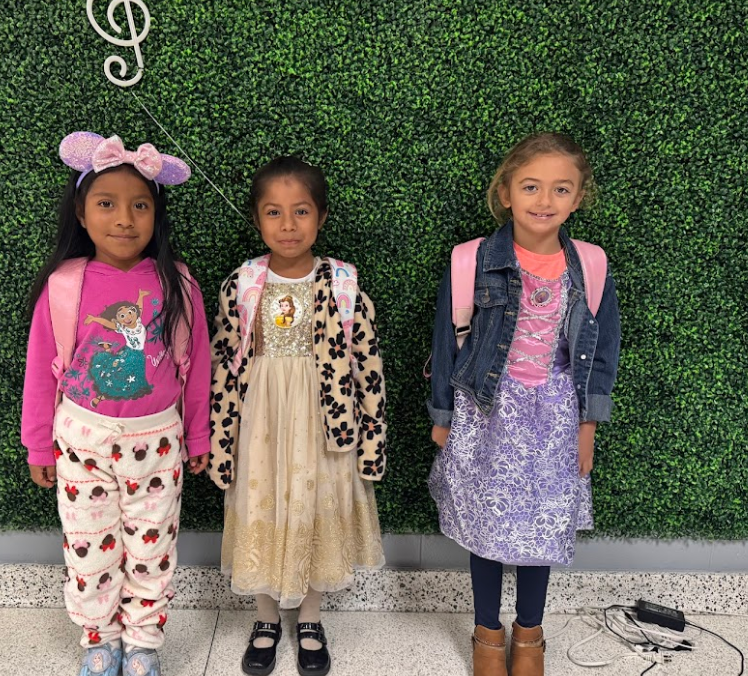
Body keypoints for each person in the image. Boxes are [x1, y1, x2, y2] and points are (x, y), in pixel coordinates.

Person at [428, 133, 621, 676]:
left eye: (561, 189)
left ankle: (529, 635)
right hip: (486, 412)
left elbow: (602, 350)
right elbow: (446, 341)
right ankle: (487, 632)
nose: (544, 199)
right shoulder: (472, 261)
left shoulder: (590, 265)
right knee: (486, 526)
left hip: (556, 417)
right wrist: (443, 419)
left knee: (542, 529)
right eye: (531, 186)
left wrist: (588, 426)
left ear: (578, 197)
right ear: (506, 192)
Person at [21, 132, 211, 676]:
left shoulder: (178, 285)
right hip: (81, 441)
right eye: (107, 204)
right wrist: (38, 442)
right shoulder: (64, 285)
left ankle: (144, 643)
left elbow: (196, 369)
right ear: (82, 214)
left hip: (158, 442)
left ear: (157, 215)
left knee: (152, 550)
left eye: (140, 205)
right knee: (89, 547)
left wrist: (197, 436)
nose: (124, 218)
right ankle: (99, 640)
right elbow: (41, 369)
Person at [208, 156, 387, 676]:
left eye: (301, 211)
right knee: (260, 501)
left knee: (312, 505)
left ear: (322, 217)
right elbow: (223, 363)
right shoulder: (241, 284)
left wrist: (372, 433)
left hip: (322, 423)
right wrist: (221, 437)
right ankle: (265, 617)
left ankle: (309, 617)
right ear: (257, 219)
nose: (287, 225)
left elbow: (367, 363)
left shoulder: (344, 284)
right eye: (273, 212)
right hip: (260, 421)